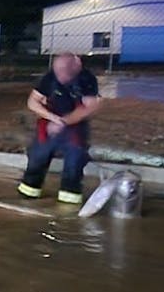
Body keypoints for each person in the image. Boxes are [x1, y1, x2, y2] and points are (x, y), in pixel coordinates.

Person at [19, 52, 102, 204]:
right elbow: (32, 102)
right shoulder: (49, 78)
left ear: (76, 66)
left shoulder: (87, 79)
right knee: (37, 159)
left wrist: (63, 122)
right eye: (58, 72)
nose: (61, 76)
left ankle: (68, 205)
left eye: (65, 72)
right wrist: (53, 119)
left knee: (74, 163)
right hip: (50, 124)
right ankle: (28, 196)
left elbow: (90, 107)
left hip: (75, 127)